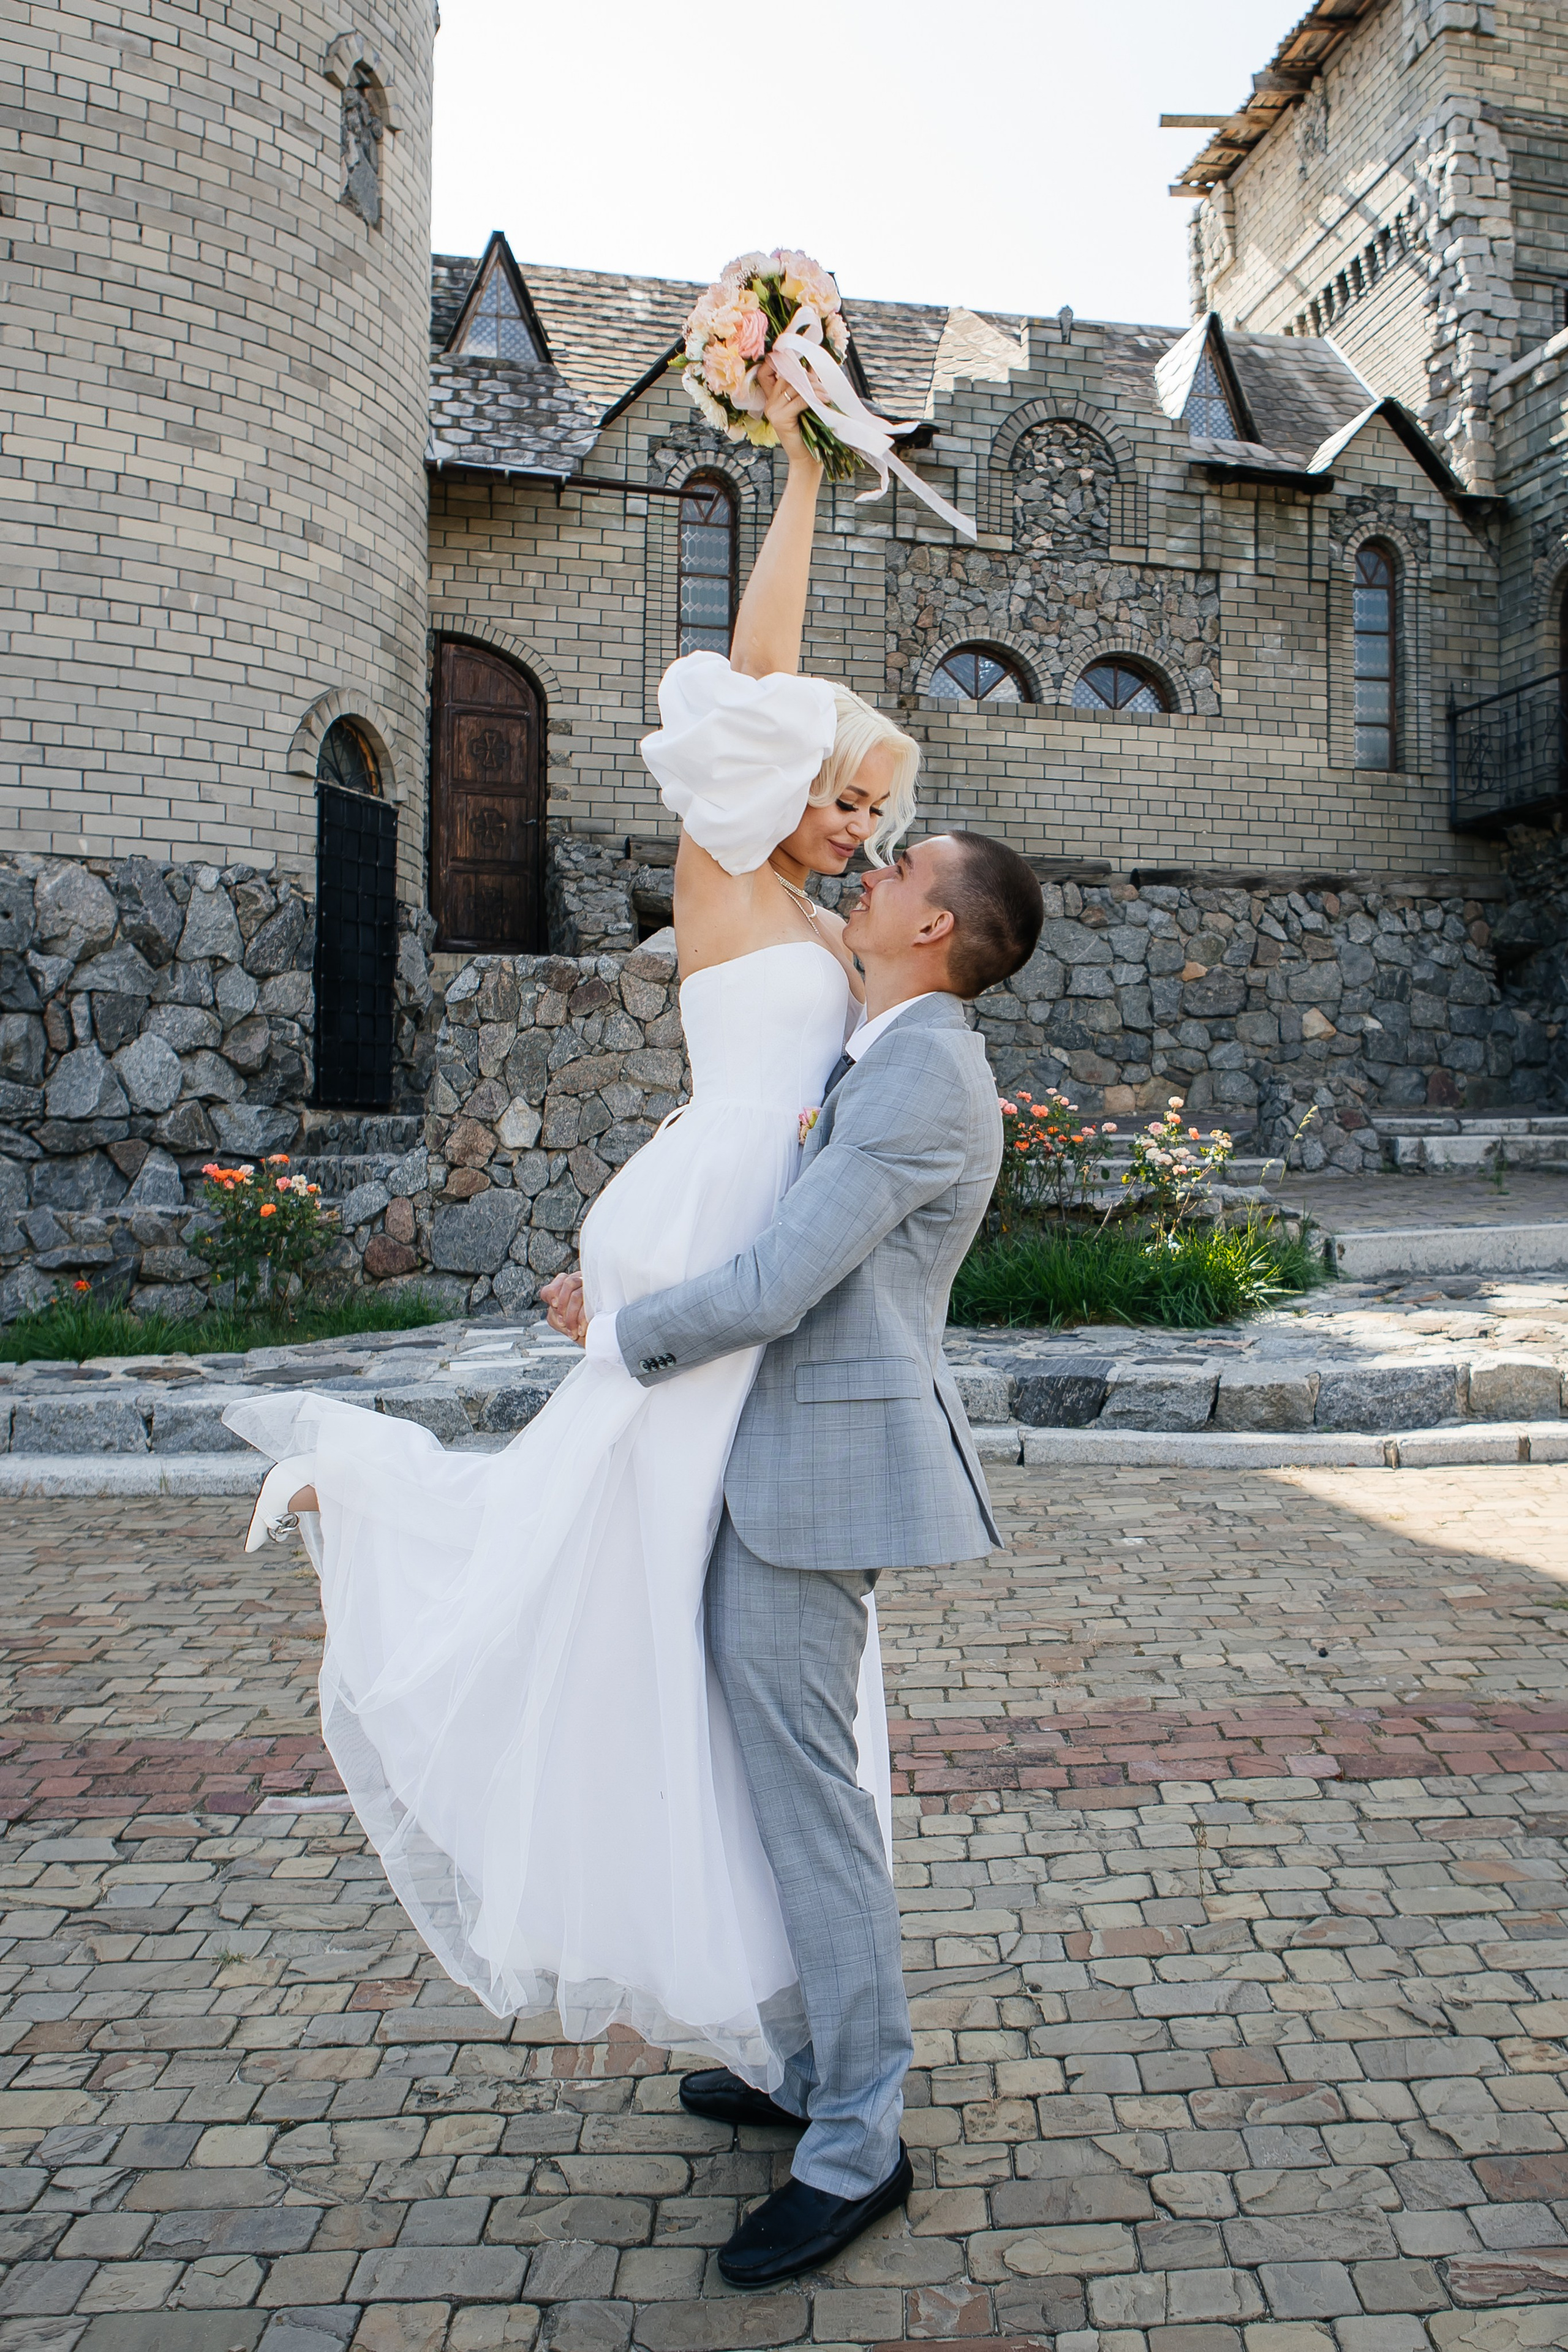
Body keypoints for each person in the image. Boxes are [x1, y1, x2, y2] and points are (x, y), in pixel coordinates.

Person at [224, 363, 922, 2095]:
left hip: (744, 1252)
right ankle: (377, 1498)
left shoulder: (829, 936)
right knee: (620, 1559)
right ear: (780, 783)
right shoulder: (726, 879)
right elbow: (755, 680)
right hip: (711, 1251)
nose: (856, 829)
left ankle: (778, 2018)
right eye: (840, 796)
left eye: (874, 812)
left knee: (689, 1612)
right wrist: (802, 472)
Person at [546, 822, 1046, 2285]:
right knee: (778, 1791)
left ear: (934, 929)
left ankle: (855, 2141)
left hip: (816, 1485)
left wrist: (617, 1335)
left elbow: (778, 1281)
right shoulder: (879, 1046)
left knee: (814, 1809)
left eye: (895, 869)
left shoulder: (920, 1075)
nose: (867, 871)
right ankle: (810, 2067)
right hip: (774, 1465)